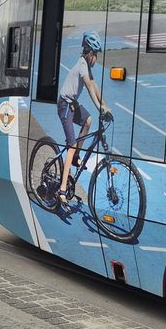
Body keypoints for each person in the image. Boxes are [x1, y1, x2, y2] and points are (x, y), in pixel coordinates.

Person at [56, 31, 111, 207]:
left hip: (73, 104)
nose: (96, 59)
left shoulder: (87, 67)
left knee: (88, 121)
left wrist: (105, 106)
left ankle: (75, 156)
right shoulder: (82, 65)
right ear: (89, 53)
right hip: (65, 105)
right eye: (95, 55)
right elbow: (88, 87)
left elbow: (94, 85)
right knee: (71, 146)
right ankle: (62, 190)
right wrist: (99, 108)